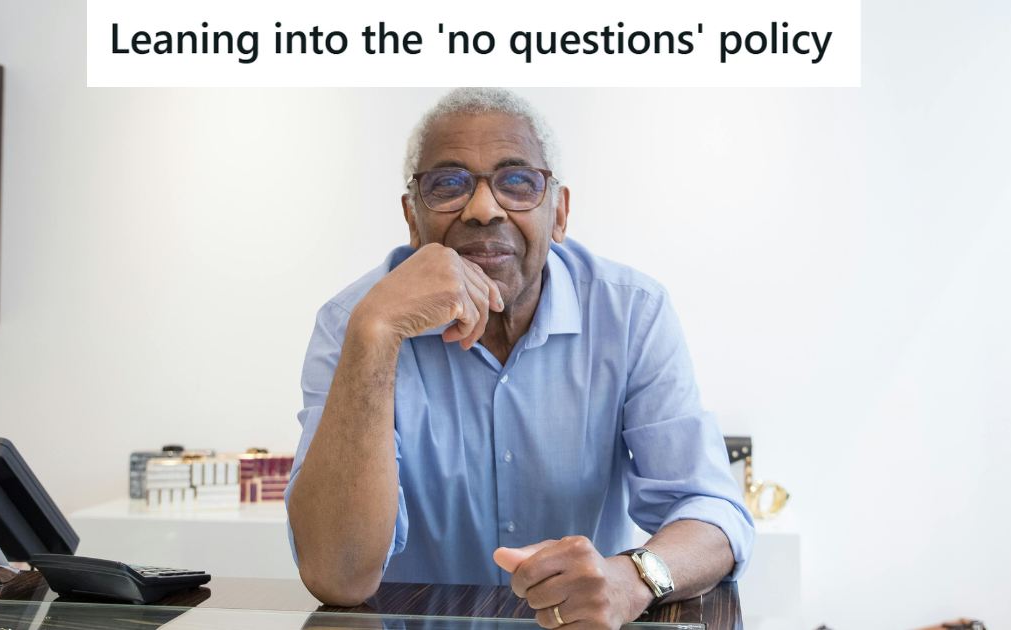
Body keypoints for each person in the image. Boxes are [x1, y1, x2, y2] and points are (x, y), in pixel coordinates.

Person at [286, 88, 754, 630]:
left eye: (516, 182)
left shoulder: (632, 312)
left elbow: (711, 511)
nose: (484, 210)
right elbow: (336, 575)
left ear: (559, 213)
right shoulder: (353, 323)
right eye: (448, 184)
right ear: (412, 221)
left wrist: (633, 578)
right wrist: (377, 333)